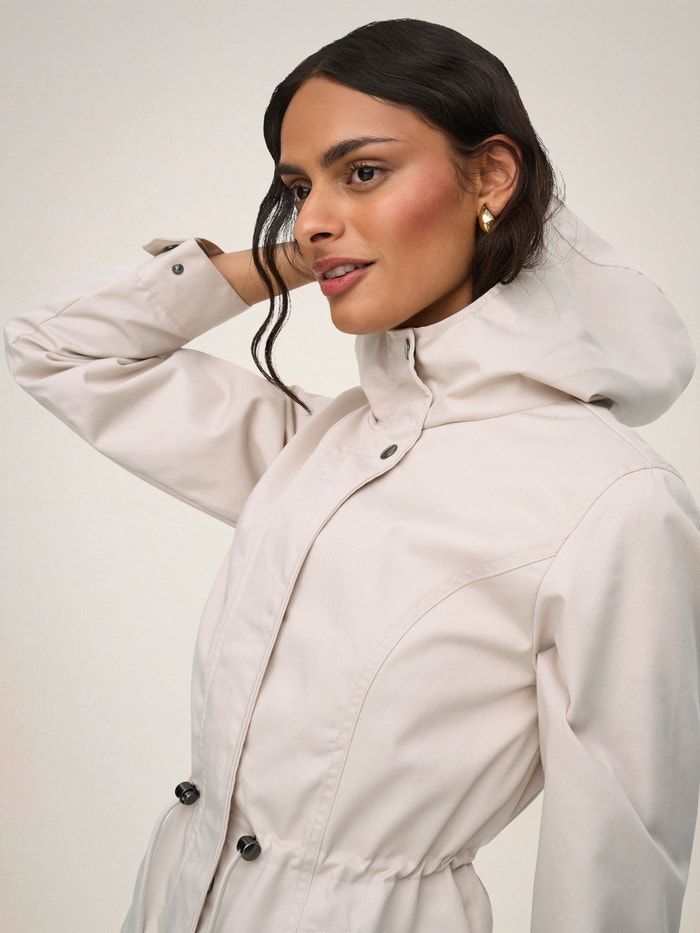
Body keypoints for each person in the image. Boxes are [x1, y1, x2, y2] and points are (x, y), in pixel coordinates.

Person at [5, 17, 700, 933]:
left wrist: (344, 235)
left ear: (492, 176)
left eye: (363, 171)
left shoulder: (611, 503)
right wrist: (311, 252)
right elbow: (54, 349)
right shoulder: (320, 445)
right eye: (299, 188)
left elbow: (617, 870)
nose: (311, 215)